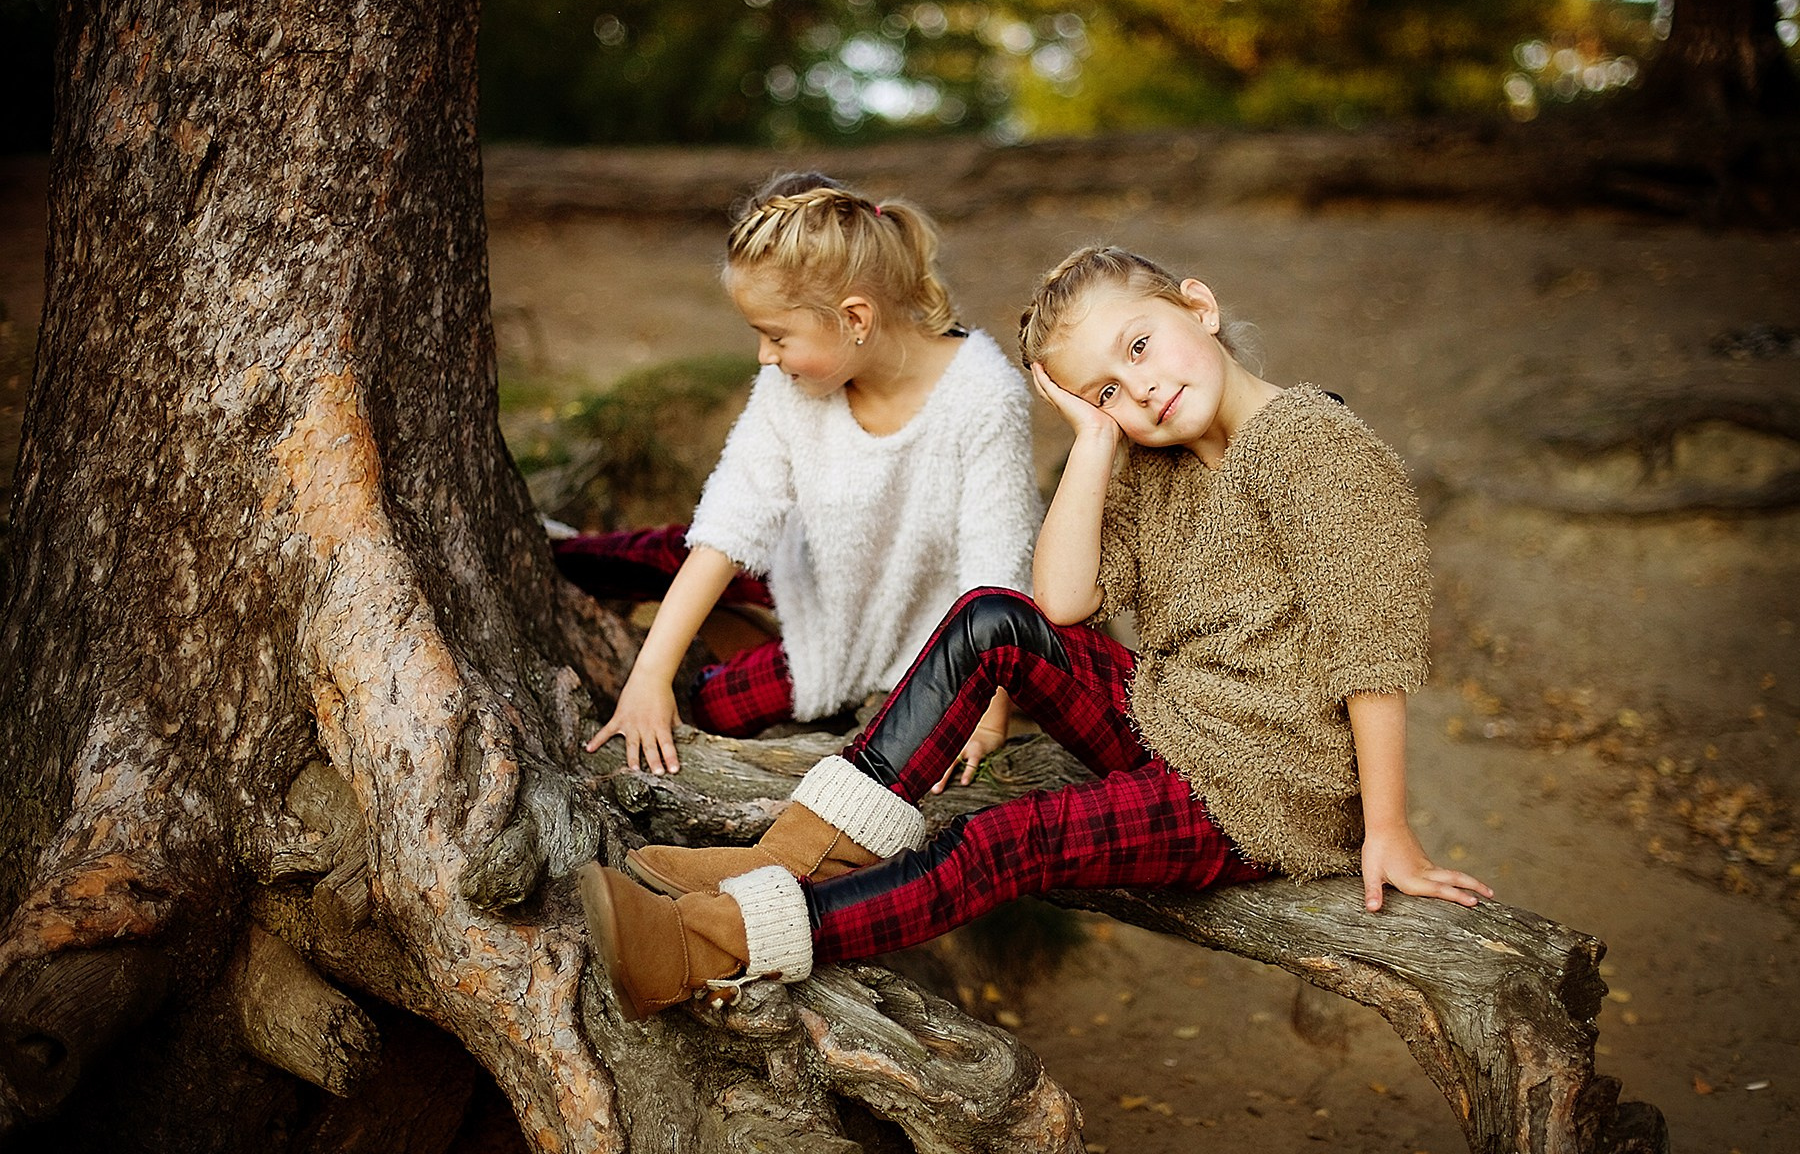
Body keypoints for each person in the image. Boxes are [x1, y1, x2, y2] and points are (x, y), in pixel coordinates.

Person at [577, 245, 1493, 1021]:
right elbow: (1059, 603)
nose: (1143, 388)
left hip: (1264, 790)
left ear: (1199, 309)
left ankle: (707, 943)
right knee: (992, 619)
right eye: (1109, 389)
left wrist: (1388, 829)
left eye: (1141, 345)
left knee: (1000, 842)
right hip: (1170, 723)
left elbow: (1373, 653)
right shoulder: (1150, 459)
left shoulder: (1315, 448)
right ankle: (785, 858)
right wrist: (1096, 447)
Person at [557, 172, 1040, 774]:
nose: (764, 355)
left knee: (712, 705)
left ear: (855, 317)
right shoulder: (794, 385)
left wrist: (986, 712)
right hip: (803, 568)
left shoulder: (984, 396)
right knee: (665, 552)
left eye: (775, 335)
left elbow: (998, 569)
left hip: (883, 631)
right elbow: (731, 519)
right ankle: (556, 549)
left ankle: (737, 629)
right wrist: (645, 675)